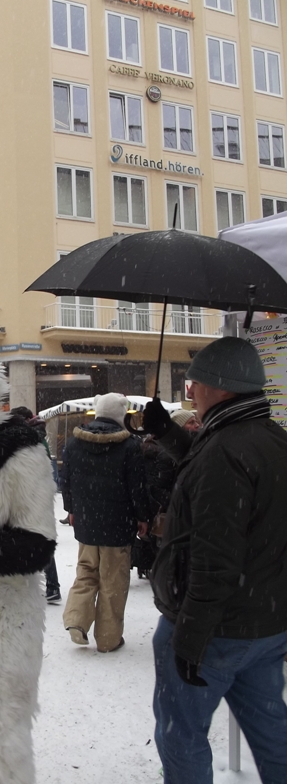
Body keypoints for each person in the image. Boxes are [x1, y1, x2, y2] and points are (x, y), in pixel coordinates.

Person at [143, 336, 287, 784]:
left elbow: (215, 559)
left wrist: (190, 638)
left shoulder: (225, 450)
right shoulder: (269, 438)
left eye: (195, 383)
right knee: (273, 734)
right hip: (264, 624)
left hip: (212, 630)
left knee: (181, 735)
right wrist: (168, 435)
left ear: (219, 388)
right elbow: (220, 482)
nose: (191, 391)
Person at [60, 393, 150, 651]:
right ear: (120, 415)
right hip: (118, 525)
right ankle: (109, 639)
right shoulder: (130, 445)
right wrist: (142, 517)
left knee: (86, 573)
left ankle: (77, 620)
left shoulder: (74, 443)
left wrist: (72, 509)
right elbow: (137, 487)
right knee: (113, 581)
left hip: (87, 523)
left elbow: (65, 481)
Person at [10, 406, 62, 603]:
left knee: (35, 540)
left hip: (30, 495)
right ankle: (50, 586)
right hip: (35, 494)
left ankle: (48, 586)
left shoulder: (30, 438)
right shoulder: (36, 436)